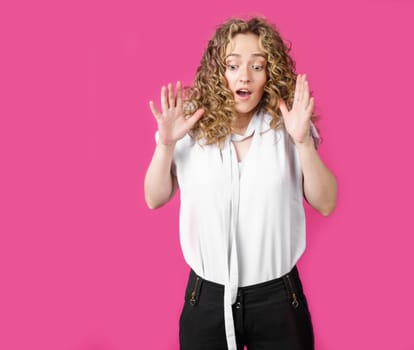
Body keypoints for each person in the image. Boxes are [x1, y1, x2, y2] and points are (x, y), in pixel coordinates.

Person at [144, 16, 337, 350]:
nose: (244, 75)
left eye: (257, 66)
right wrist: (165, 145)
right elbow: (154, 198)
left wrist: (304, 142)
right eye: (233, 65)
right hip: (206, 298)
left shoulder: (289, 126)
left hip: (278, 299)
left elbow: (326, 202)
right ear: (218, 71)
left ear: (270, 73)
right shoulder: (189, 124)